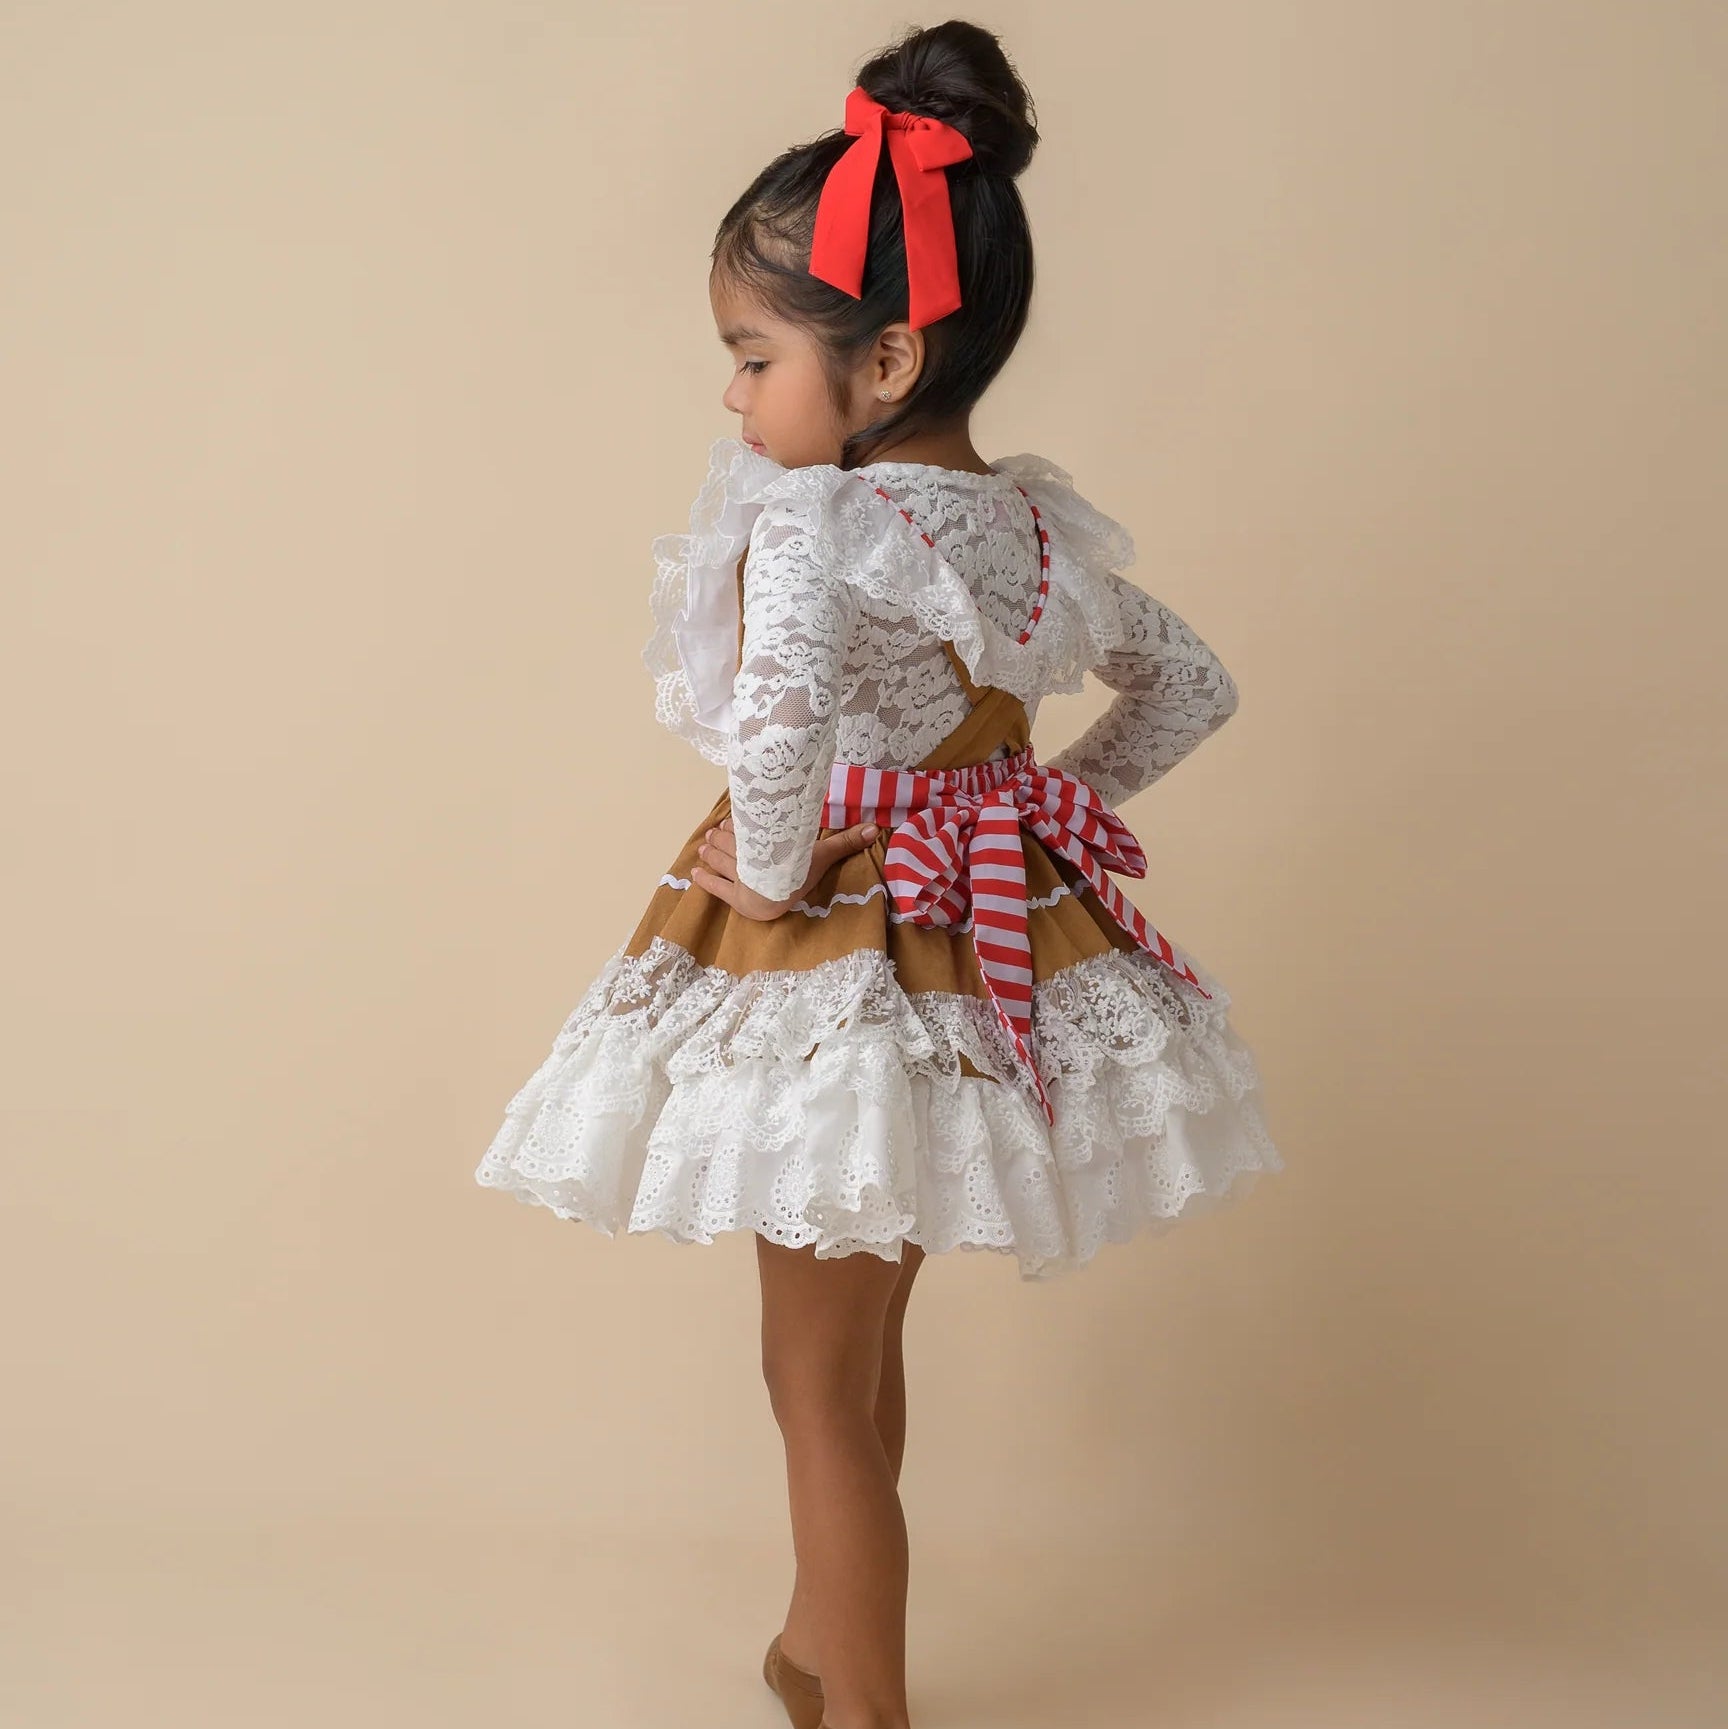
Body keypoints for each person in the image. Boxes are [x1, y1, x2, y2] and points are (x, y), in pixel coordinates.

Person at [474, 19, 1283, 1729]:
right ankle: (813, 1645)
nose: (732, 393)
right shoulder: (1034, 527)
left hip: (843, 963)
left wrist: (770, 877)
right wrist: (1026, 812)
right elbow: (1192, 682)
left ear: (889, 358)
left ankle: (868, 1710)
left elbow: (776, 734)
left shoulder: (817, 524)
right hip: (973, 950)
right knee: (861, 1347)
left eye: (753, 354)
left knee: (812, 1383)